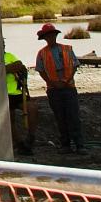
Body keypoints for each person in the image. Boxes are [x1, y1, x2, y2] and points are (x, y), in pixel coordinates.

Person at [34, 24, 82, 153]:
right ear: (45, 38)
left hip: (69, 87)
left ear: (55, 36)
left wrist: (66, 81)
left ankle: (79, 144)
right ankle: (65, 144)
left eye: (52, 35)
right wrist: (51, 83)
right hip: (53, 89)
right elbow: (41, 71)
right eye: (48, 36)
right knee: (60, 117)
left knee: (73, 115)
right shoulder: (42, 53)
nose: (50, 38)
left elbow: (74, 66)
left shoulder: (67, 49)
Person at [3, 50, 33, 156]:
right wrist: (8, 68)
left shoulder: (9, 56)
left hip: (17, 93)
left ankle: (30, 138)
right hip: (3, 95)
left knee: (32, 109)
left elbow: (19, 66)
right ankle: (18, 144)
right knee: (10, 119)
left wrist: (7, 69)